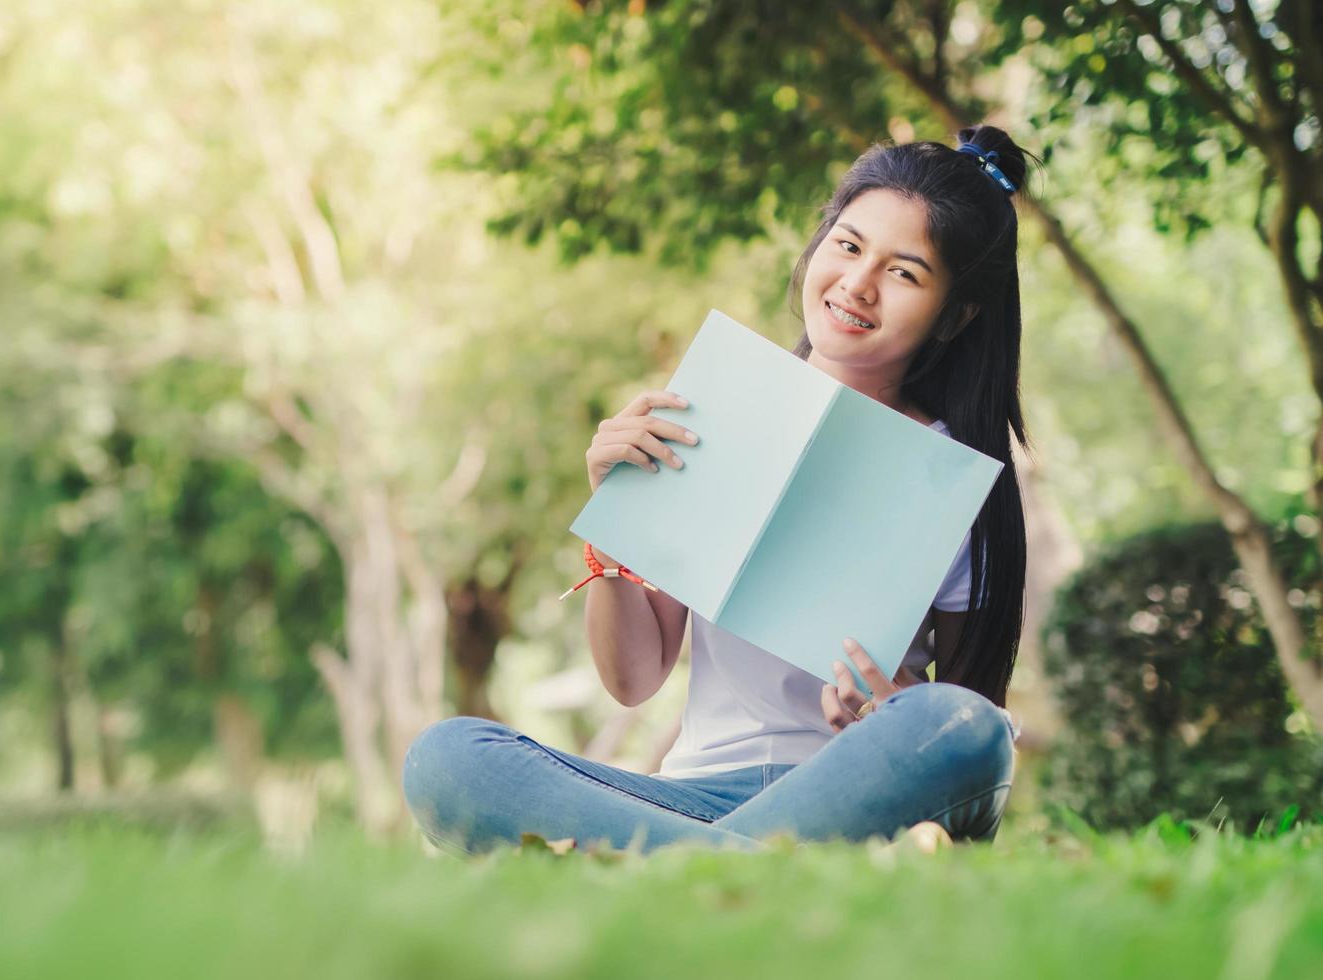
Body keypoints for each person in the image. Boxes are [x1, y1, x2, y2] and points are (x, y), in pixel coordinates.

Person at [402, 124, 1037, 857]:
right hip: (690, 794)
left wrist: (896, 713)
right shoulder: (720, 409)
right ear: (820, 244)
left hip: (852, 789)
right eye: (849, 245)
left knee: (971, 732)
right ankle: (736, 863)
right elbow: (634, 678)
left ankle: (660, 869)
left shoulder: (953, 476)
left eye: (905, 273)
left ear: (955, 315)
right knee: (446, 758)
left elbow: (967, 727)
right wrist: (610, 524)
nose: (858, 285)